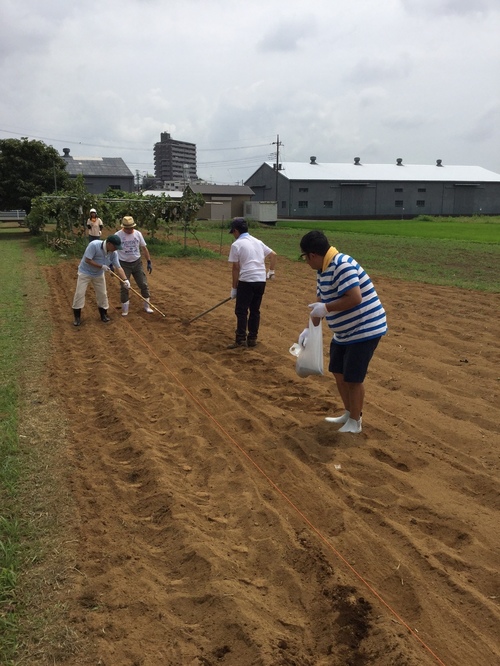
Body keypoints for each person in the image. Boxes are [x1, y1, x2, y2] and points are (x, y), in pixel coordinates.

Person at [299, 230, 387, 433]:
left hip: (365, 329)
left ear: (312, 255)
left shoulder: (342, 265)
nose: (305, 262)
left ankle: (355, 422)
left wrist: (327, 309)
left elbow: (355, 297)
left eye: (304, 257)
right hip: (344, 332)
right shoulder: (323, 269)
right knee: (338, 371)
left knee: (353, 378)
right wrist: (307, 329)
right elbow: (320, 302)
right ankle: (349, 412)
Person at [227, 217, 277, 348]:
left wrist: (234, 288)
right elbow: (273, 255)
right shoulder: (257, 241)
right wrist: (271, 271)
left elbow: (235, 268)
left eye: (233, 232)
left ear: (236, 231)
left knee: (241, 310)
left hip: (247, 280)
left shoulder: (236, 245)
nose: (233, 235)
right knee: (255, 310)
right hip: (260, 280)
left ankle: (240, 339)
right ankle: (252, 338)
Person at [72, 235, 130, 326]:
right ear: (109, 244)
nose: (116, 249)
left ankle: (103, 314)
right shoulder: (94, 245)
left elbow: (119, 267)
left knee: (102, 294)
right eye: (115, 247)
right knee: (79, 293)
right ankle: (77, 317)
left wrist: (125, 280)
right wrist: (101, 266)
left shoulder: (113, 253)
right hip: (85, 272)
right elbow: (87, 260)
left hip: (98, 274)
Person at [114, 216, 154, 316]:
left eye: (131, 228)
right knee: (125, 286)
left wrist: (149, 261)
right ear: (124, 227)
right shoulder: (118, 235)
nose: (129, 230)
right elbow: (112, 250)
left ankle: (147, 306)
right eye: (127, 228)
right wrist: (111, 263)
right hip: (123, 264)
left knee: (143, 284)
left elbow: (144, 248)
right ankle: (125, 309)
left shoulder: (137, 234)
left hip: (137, 263)